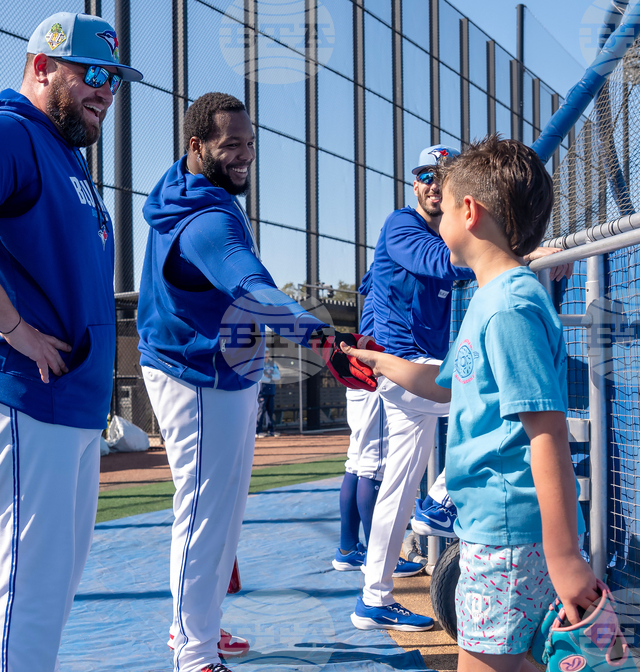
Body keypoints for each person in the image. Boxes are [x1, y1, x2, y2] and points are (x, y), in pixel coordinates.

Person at [0, 12, 142, 672]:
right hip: (18, 391)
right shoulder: (8, 130)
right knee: (32, 590)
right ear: (41, 67)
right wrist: (15, 329)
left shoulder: (60, 149)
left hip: (63, 402)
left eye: (115, 82)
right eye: (93, 75)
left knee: (51, 587)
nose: (106, 91)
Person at [137, 92, 377, 672]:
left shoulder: (192, 186)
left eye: (249, 144)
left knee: (213, 513)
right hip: (198, 375)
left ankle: (194, 630)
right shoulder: (208, 219)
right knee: (203, 515)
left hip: (210, 369)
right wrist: (324, 344)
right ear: (196, 146)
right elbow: (254, 290)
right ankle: (193, 654)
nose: (244, 155)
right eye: (230, 146)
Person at [342, 136, 598, 666]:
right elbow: (449, 384)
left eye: (446, 192)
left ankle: (428, 515)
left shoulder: (508, 305)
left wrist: (566, 557)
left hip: (507, 540)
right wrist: (381, 362)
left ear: (469, 211)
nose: (435, 199)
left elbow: (545, 431)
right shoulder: (490, 298)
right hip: (490, 532)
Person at [332, 270, 424, 580]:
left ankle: (348, 549)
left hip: (359, 369)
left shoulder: (382, 272)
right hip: (375, 372)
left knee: (358, 462)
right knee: (373, 465)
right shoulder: (399, 272)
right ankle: (379, 557)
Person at [256, 352, 280, 436]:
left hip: (271, 391)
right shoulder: (258, 363)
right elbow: (260, 377)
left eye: (267, 352)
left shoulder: (272, 364)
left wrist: (268, 376)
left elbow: (278, 377)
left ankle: (271, 431)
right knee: (260, 411)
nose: (266, 354)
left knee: (270, 411)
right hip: (262, 391)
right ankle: (258, 431)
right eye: (264, 352)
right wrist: (270, 377)